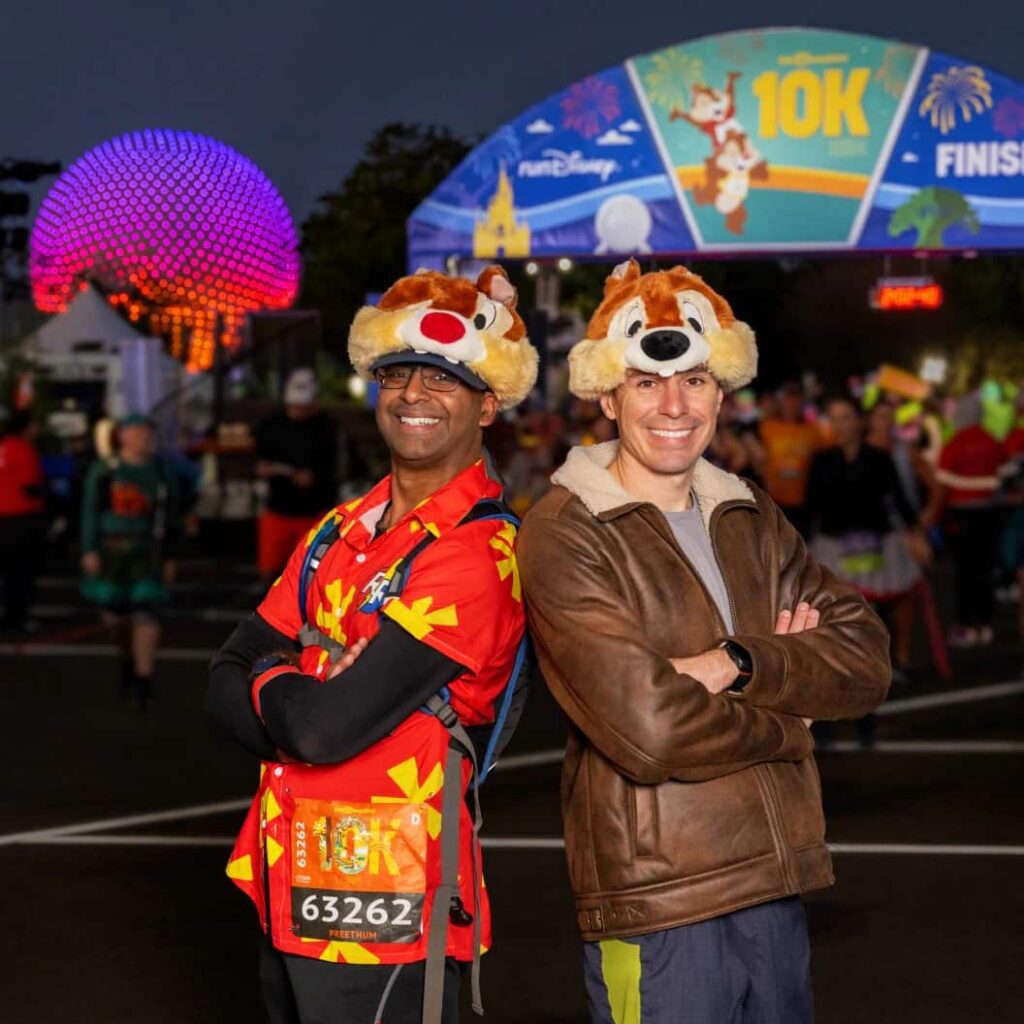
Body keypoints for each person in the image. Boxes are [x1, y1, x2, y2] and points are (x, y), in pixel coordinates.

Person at [518, 260, 890, 1024]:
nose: (674, 404)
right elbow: (648, 731)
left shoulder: (746, 510)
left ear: (722, 391)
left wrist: (740, 662)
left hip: (774, 883)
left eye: (695, 379)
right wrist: (795, 714)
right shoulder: (564, 530)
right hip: (656, 902)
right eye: (648, 382)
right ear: (608, 396)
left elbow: (865, 656)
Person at [208, 264, 538, 1024]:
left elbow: (321, 730)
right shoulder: (336, 531)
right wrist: (283, 681)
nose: (414, 395)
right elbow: (220, 676)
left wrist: (274, 674)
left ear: (488, 404)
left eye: (444, 379)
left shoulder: (480, 552)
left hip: (390, 904)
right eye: (398, 374)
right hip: (286, 880)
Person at [80, 413, 182, 709]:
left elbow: (172, 516)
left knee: (146, 612)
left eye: (146, 431)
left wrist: (171, 556)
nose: (142, 437)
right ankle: (128, 657)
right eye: (135, 431)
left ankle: (143, 678)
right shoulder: (105, 471)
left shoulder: (162, 472)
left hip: (147, 551)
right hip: (112, 553)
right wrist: (89, 549)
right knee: (115, 616)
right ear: (121, 435)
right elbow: (91, 512)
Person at [936, 392, 1008, 647]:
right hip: (989, 514)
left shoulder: (954, 444)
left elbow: (941, 485)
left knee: (964, 572)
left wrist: (935, 516)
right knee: (984, 569)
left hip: (961, 516)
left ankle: (966, 625)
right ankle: (985, 624)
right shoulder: (992, 442)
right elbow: (1002, 475)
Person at [255, 368, 338, 581]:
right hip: (278, 509)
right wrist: (265, 468)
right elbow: (260, 458)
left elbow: (331, 466)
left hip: (313, 512)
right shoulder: (271, 425)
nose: (297, 411)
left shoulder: (325, 428)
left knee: (309, 570)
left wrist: (314, 477)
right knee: (270, 568)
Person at [0, 410, 46, 633]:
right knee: (20, 571)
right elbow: (31, 487)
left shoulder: (4, 446)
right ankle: (16, 618)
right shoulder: (23, 448)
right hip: (20, 518)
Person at [758, 381, 823, 536]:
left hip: (803, 505)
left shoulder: (814, 431)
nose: (792, 403)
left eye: (796, 398)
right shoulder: (766, 428)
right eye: (788, 398)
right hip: (774, 503)